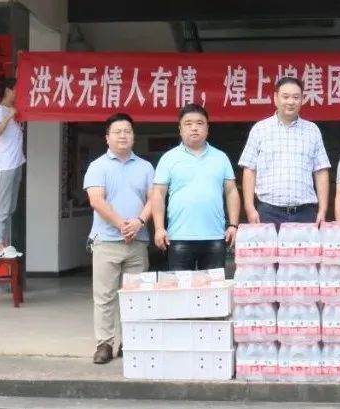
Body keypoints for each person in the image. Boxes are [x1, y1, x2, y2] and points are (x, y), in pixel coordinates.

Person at [83, 112, 154, 365]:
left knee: (135, 296)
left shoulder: (146, 167)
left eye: (127, 131)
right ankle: (105, 343)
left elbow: (154, 199)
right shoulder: (97, 166)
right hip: (106, 241)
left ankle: (130, 340)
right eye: (117, 132)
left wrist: (139, 222)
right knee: (105, 296)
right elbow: (96, 200)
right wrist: (121, 225)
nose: (123, 136)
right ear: (107, 137)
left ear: (133, 136)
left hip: (137, 241)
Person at [152, 103, 241, 271]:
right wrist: (159, 228)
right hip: (178, 236)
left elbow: (231, 191)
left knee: (214, 286)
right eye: (188, 123)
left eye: (200, 123)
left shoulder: (221, 157)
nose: (194, 128)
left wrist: (233, 225)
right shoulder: (168, 158)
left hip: (215, 236)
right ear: (180, 129)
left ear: (207, 128)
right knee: (180, 286)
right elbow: (158, 194)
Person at [239, 76, 332, 227]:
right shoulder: (260, 129)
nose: (290, 102)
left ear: (302, 100)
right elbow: (249, 170)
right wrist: (249, 207)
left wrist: (322, 210)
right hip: (268, 212)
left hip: (305, 213)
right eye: (285, 96)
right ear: (275, 98)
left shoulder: (312, 130)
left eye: (296, 97)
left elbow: (321, 171)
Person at [0, 76, 25, 259]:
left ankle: (5, 244)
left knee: (10, 206)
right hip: (5, 166)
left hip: (16, 163)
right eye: (17, 89)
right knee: (2, 207)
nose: (19, 93)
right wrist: (9, 117)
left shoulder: (12, 110)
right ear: (8, 91)